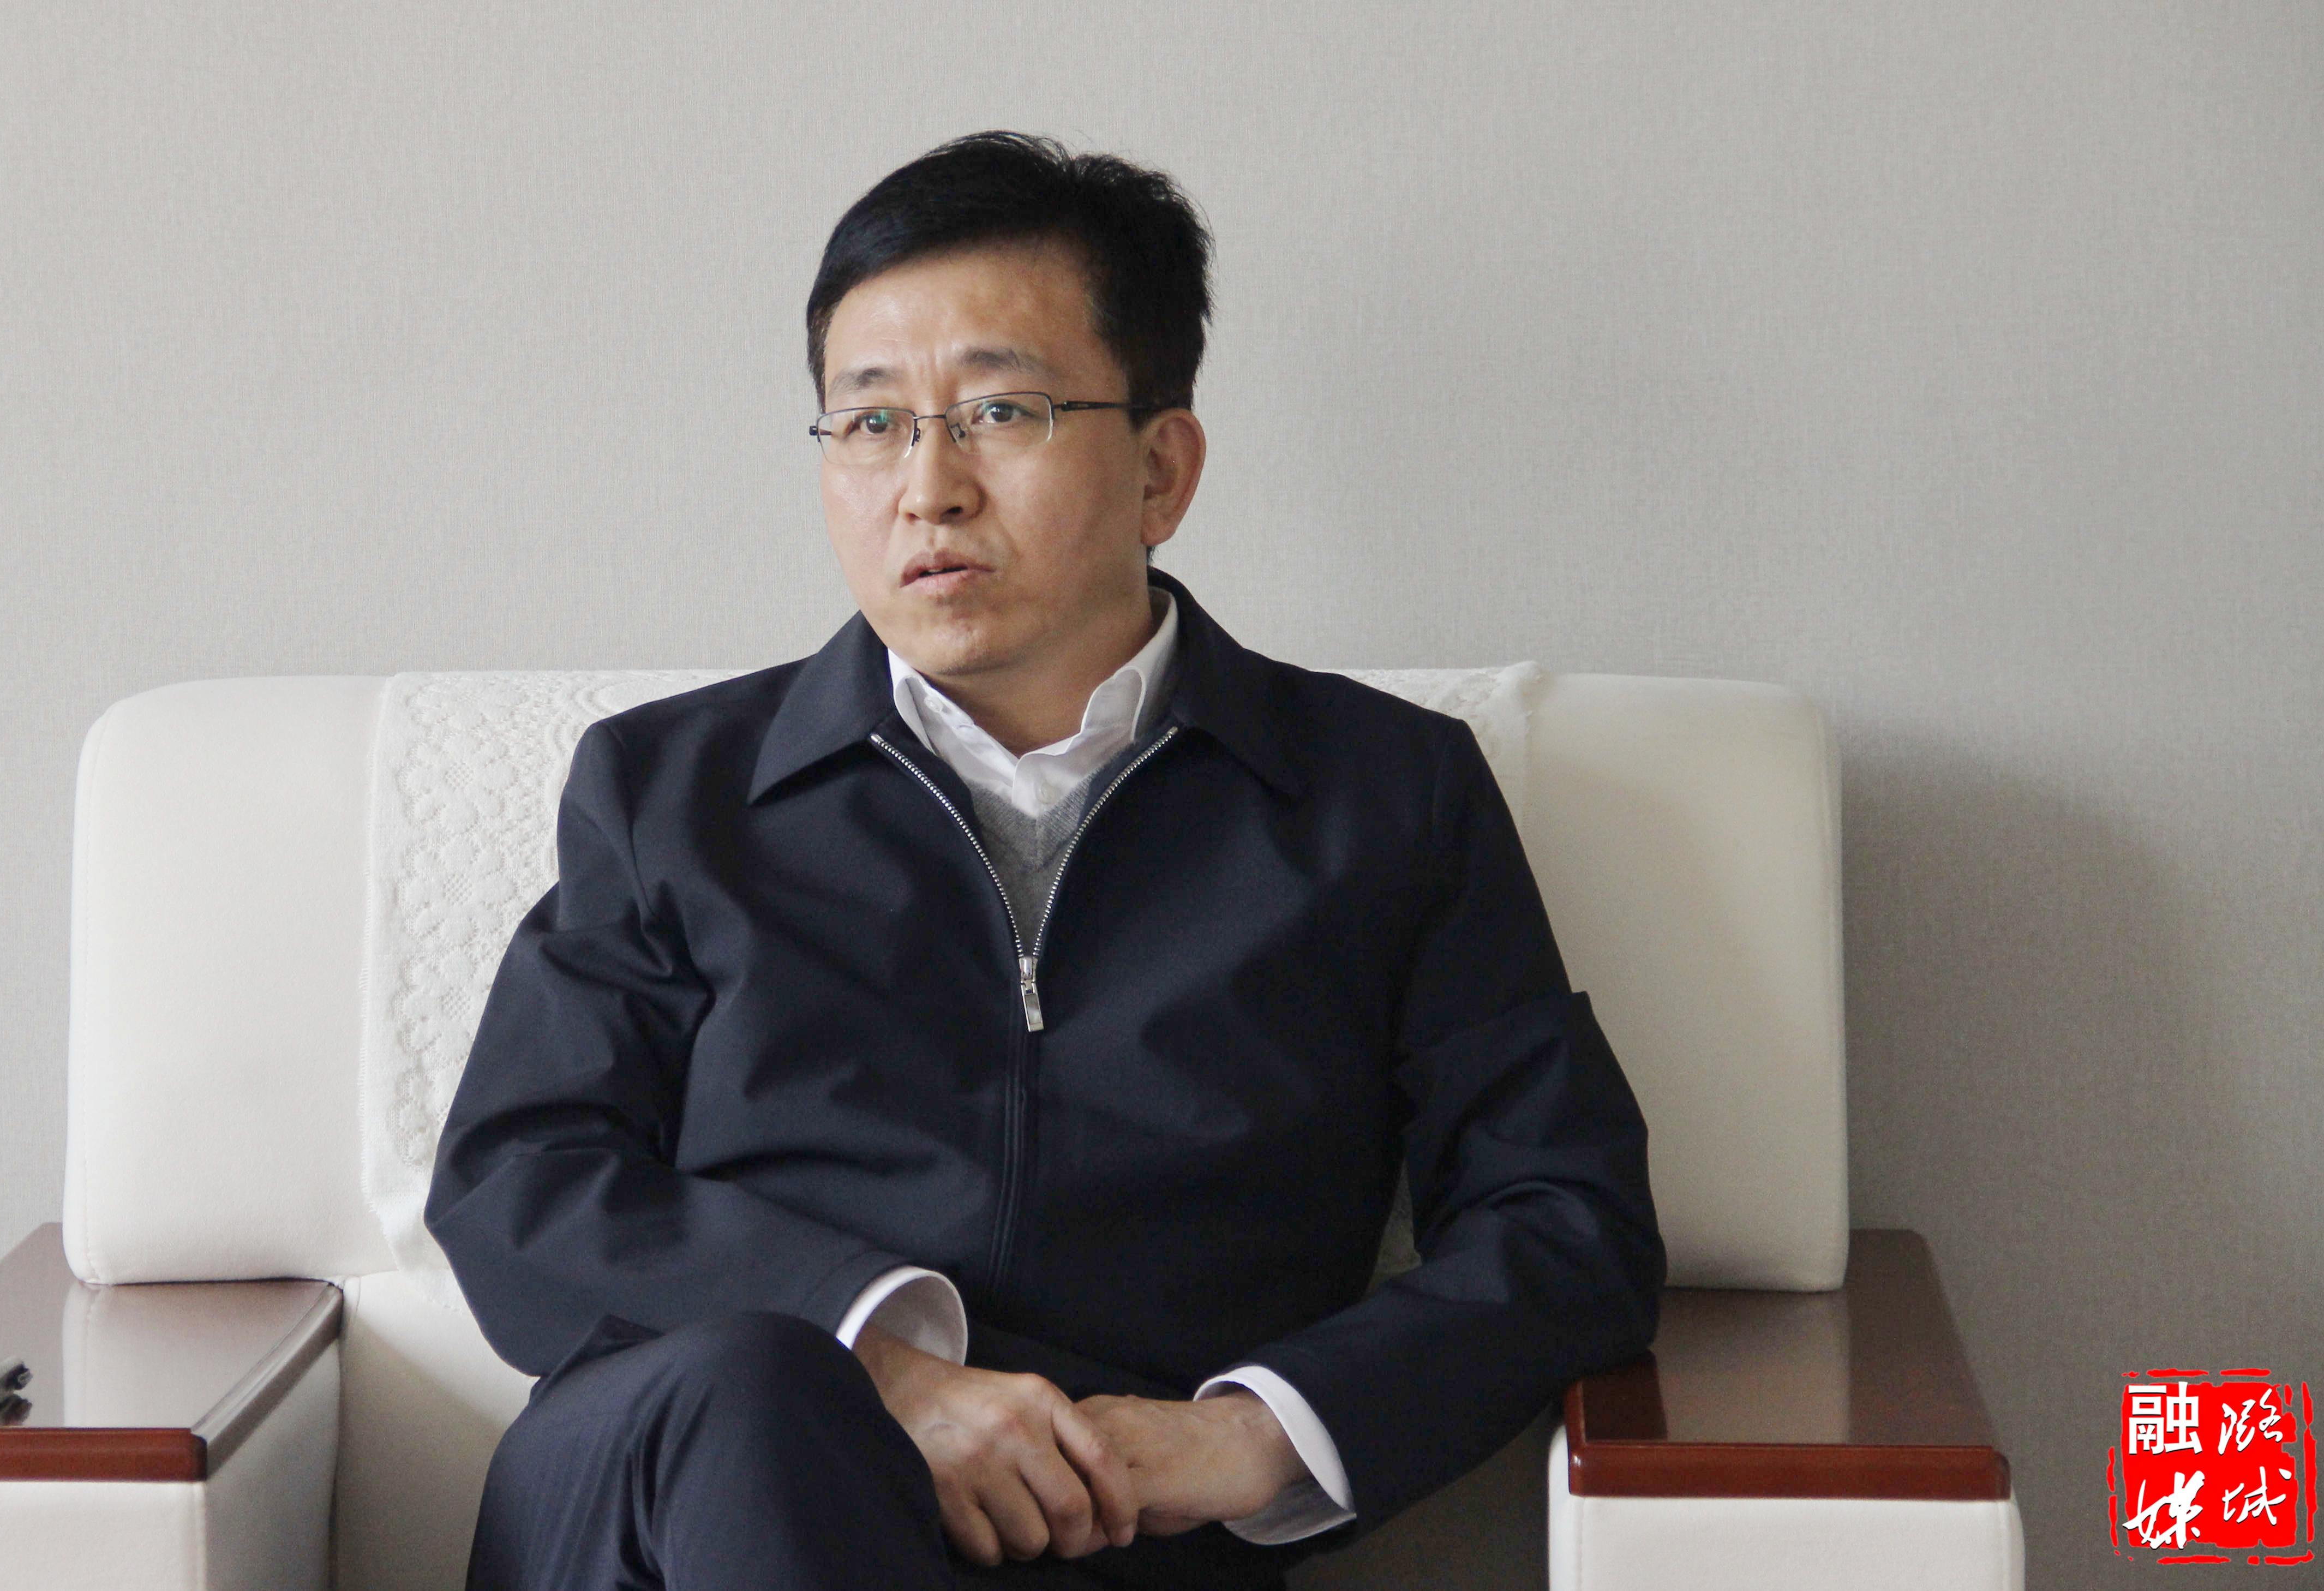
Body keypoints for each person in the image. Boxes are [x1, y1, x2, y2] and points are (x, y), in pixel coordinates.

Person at [426, 131, 1663, 1591]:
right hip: (673, 1502)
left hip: (1114, 1532)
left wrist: (1246, 1437)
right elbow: (519, 1179)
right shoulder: (670, 791)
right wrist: (884, 1365)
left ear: (1162, 469)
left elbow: (1565, 1220)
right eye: (869, 423)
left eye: (999, 411)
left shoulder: (1386, 800)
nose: (926, 487)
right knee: (755, 1394)